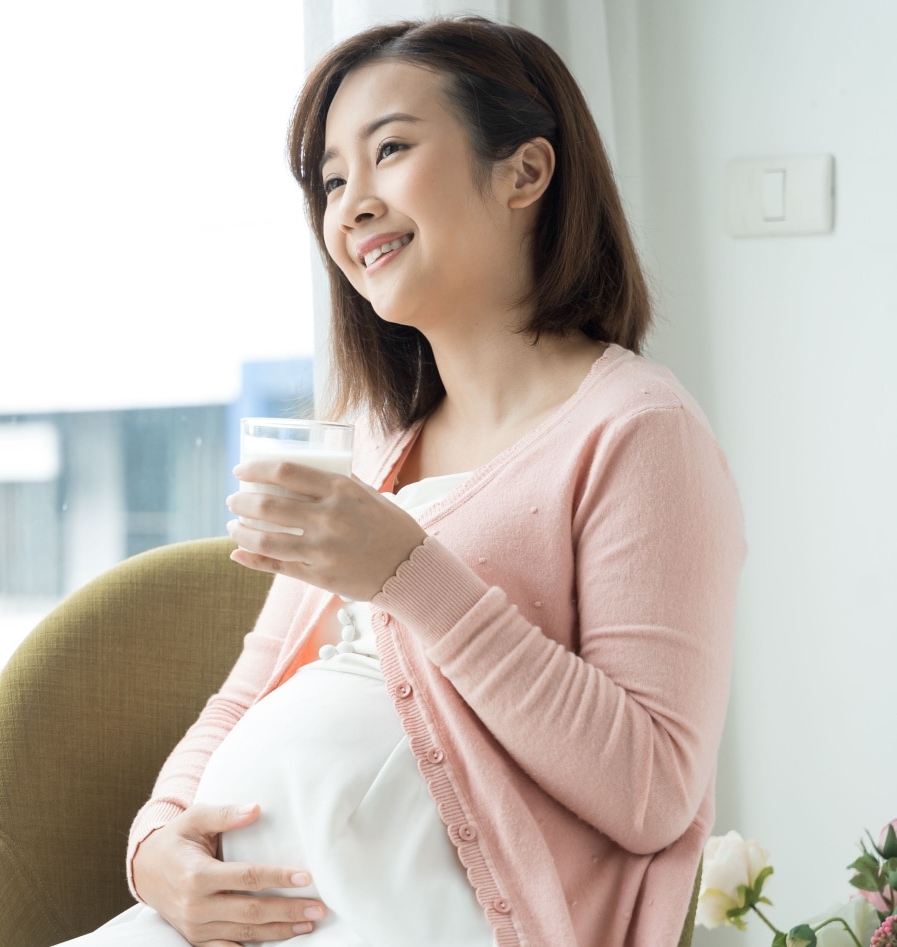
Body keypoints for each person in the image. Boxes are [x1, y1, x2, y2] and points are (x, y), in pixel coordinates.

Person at [58, 15, 743, 947]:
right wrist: (155, 848)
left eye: (390, 151)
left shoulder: (639, 431)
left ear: (525, 173)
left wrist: (407, 572)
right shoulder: (381, 443)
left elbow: (654, 790)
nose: (351, 203)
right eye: (333, 180)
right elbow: (249, 689)